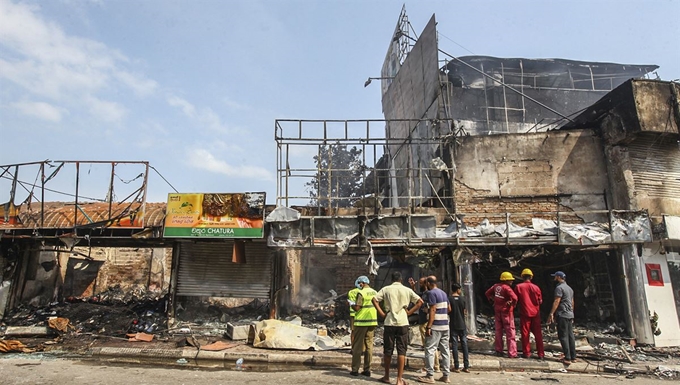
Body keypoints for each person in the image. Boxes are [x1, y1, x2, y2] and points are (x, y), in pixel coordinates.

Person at [373, 271, 423, 385]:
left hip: (389, 321)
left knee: (388, 350)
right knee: (402, 351)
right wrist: (409, 312)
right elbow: (420, 302)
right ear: (401, 279)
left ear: (392, 279)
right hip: (403, 322)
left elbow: (374, 299)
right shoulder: (407, 290)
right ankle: (399, 379)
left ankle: (386, 376)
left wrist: (381, 313)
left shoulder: (386, 289)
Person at [417, 277, 451, 384]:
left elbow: (433, 309)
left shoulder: (431, 293)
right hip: (445, 325)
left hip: (435, 326)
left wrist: (429, 326)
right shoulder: (444, 293)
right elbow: (449, 309)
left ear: (428, 283)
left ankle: (430, 376)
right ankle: (446, 376)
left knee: (430, 350)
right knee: (445, 351)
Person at [408, 276, 440, 373]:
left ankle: (429, 366)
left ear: (427, 284)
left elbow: (419, 300)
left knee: (428, 345)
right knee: (431, 345)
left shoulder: (428, 294)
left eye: (421, 283)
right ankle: (436, 366)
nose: (420, 285)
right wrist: (413, 287)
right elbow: (417, 295)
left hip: (426, 322)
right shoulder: (426, 293)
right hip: (426, 322)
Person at [485, 271, 518, 358]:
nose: (512, 281)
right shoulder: (507, 288)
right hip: (507, 313)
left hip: (497, 311)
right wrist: (512, 304)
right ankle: (512, 353)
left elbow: (487, 293)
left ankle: (498, 350)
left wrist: (493, 300)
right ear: (506, 280)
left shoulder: (496, 286)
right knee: (510, 332)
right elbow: (515, 298)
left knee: (498, 332)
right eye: (510, 280)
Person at [513, 268, 544, 360]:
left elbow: (514, 299)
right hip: (535, 313)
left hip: (524, 313)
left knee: (525, 333)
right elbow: (540, 301)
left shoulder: (519, 287)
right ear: (531, 277)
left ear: (522, 277)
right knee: (538, 334)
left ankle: (526, 353)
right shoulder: (536, 287)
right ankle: (541, 354)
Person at [350, 276, 378, 377]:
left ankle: (355, 369)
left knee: (357, 346)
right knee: (369, 346)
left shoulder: (361, 293)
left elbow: (357, 307)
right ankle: (367, 369)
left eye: (359, 283)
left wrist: (351, 304)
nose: (359, 285)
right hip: (372, 322)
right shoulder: (375, 292)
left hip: (361, 322)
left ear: (362, 283)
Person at [547, 271, 576, 365]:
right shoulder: (570, 288)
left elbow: (556, 301)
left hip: (562, 314)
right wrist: (572, 313)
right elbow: (572, 303)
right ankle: (573, 356)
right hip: (569, 314)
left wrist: (551, 313)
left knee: (563, 336)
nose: (554, 278)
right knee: (570, 336)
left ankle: (567, 358)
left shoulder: (559, 288)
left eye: (555, 276)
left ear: (559, 277)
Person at [448, 283, 470, 373]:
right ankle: (466, 366)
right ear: (458, 290)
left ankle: (456, 366)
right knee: (464, 345)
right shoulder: (463, 299)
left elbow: (448, 310)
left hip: (453, 324)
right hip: (462, 325)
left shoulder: (449, 299)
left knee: (455, 345)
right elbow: (465, 311)